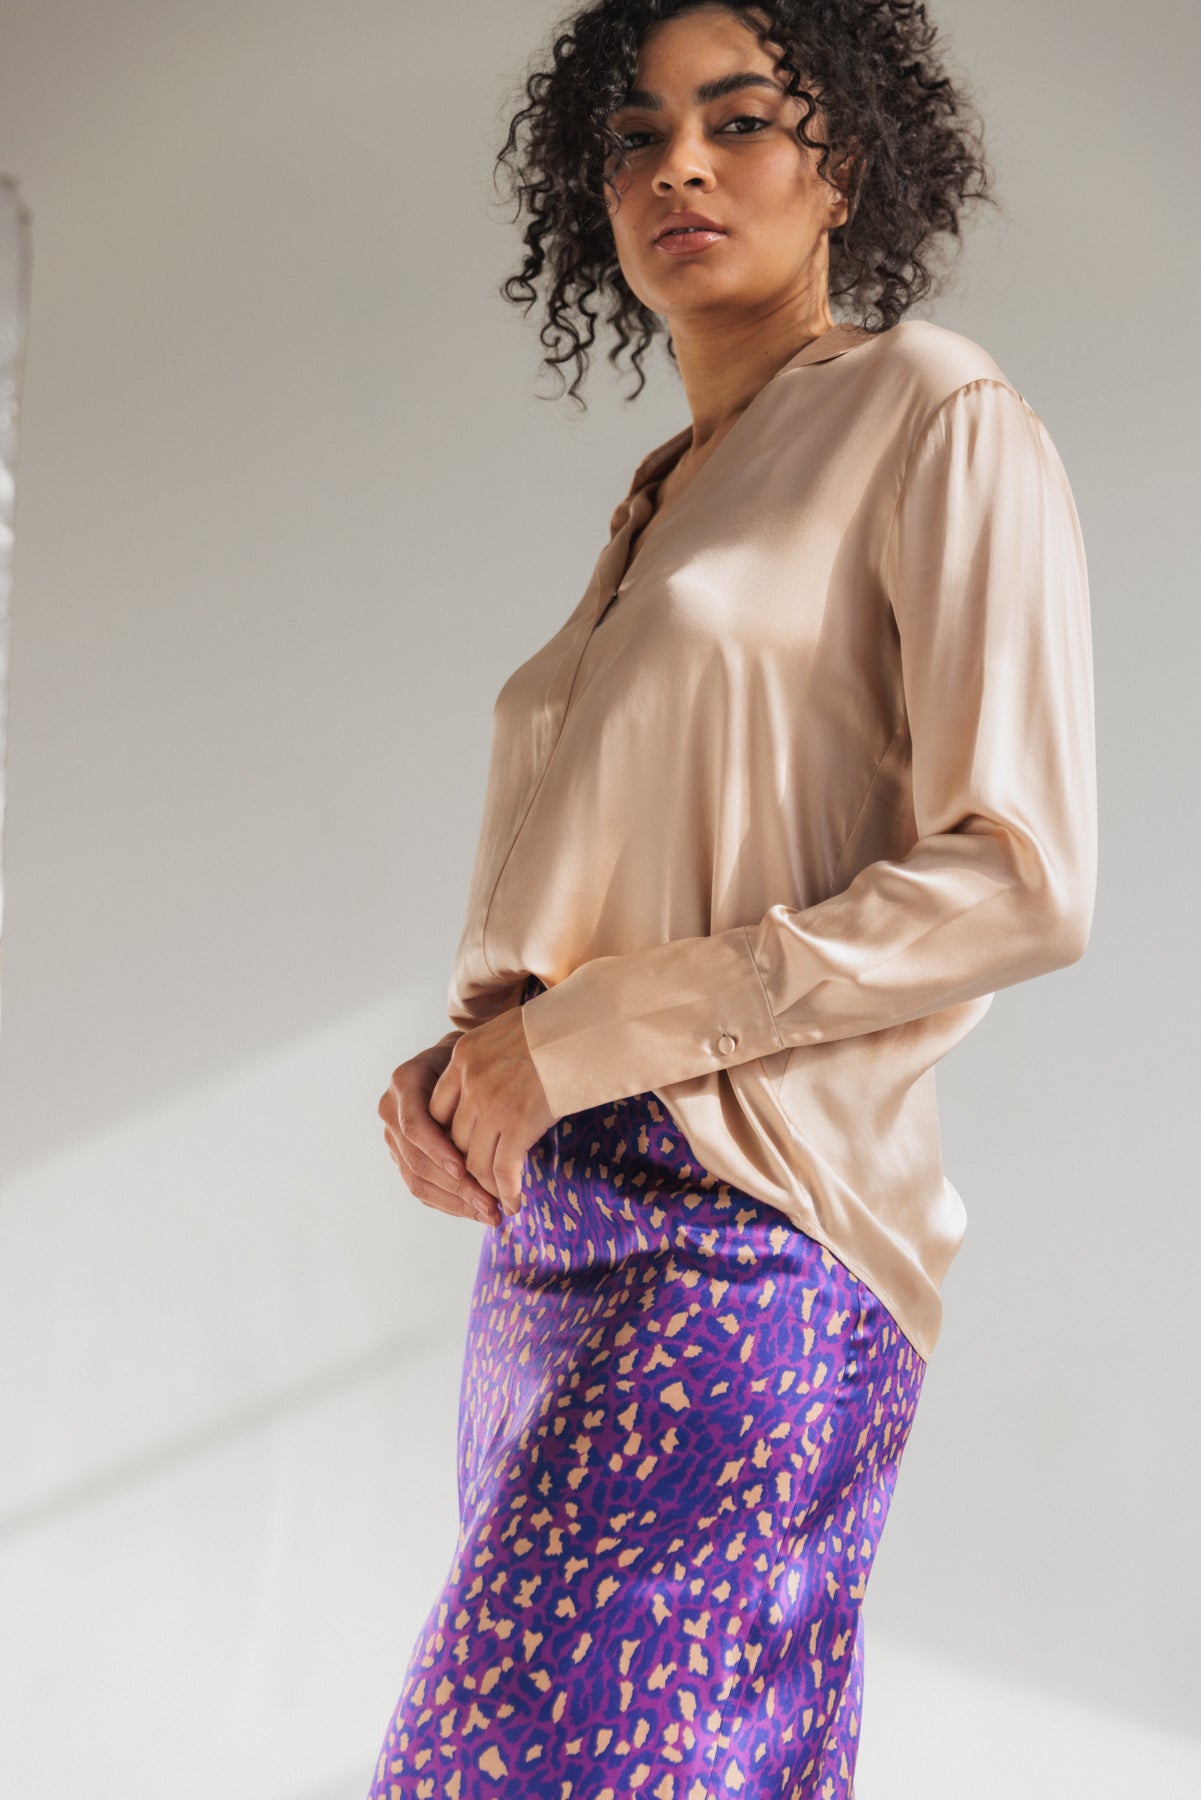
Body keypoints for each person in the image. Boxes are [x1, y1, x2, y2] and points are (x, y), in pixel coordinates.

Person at [370, 2, 1097, 1795]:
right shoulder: (660, 499)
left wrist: (588, 1035)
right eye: (633, 134)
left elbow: (1019, 874)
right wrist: (470, 1061)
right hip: (551, 1244)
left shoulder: (933, 407)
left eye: (741, 118)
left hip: (754, 1240)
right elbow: (629, 868)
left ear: (842, 157)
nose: (678, 165)